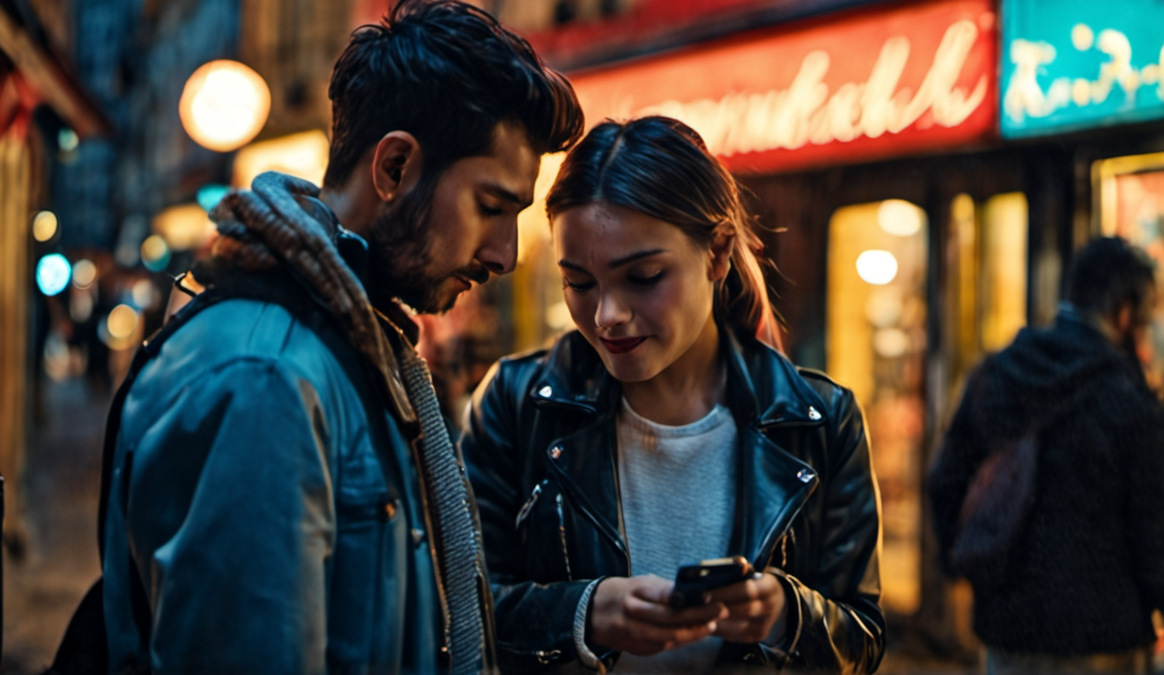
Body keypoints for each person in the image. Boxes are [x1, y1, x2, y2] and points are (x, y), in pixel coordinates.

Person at [98, 1, 584, 673]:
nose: (504, 254)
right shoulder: (265, 380)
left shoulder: (355, 346)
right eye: (491, 207)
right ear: (393, 169)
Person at [460, 117, 884, 674]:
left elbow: (864, 637)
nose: (608, 315)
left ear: (717, 254)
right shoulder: (518, 406)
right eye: (579, 283)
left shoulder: (818, 420)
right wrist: (584, 612)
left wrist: (785, 613)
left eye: (644, 277)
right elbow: (458, 609)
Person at [929, 236, 1164, 674]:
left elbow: (945, 481)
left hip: (1009, 630)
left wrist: (970, 572)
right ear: (1126, 312)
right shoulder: (1130, 400)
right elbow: (1152, 532)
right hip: (1105, 635)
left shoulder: (1001, 373)